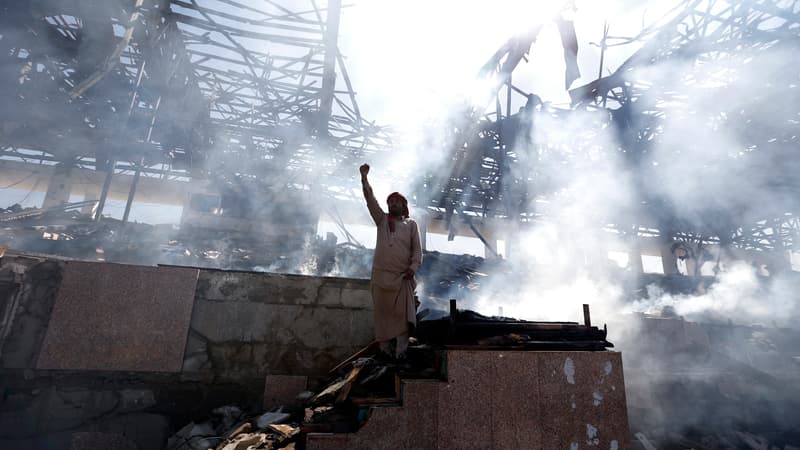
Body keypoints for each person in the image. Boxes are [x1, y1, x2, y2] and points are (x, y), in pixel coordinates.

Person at [360, 163, 422, 360]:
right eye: (390, 201)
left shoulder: (411, 224)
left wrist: (412, 268)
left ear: (404, 206)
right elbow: (370, 200)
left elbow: (417, 251)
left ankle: (401, 353)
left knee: (402, 318)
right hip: (380, 278)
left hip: (401, 279)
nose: (393, 204)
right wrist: (364, 178)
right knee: (383, 317)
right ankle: (384, 353)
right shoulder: (381, 220)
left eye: (397, 201)